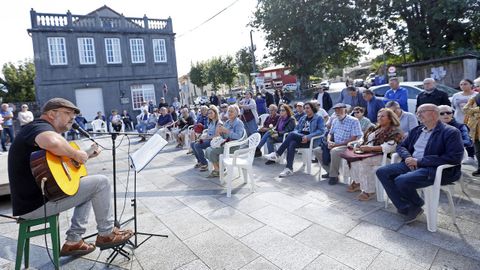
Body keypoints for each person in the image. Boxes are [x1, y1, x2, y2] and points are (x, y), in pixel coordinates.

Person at [8, 98, 132, 257]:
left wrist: (85, 155)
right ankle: (106, 234)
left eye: (73, 115)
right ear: (52, 114)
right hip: (35, 205)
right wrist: (75, 153)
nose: (72, 118)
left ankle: (73, 241)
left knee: (83, 185)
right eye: (67, 113)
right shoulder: (38, 127)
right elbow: (52, 142)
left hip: (38, 200)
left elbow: (55, 165)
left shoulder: (40, 129)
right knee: (101, 182)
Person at [376, 104, 464, 223]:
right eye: (417, 112)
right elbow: (401, 146)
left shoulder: (451, 132)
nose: (418, 115)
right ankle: (406, 206)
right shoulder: (417, 130)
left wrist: (419, 161)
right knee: (382, 172)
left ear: (434, 113)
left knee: (401, 180)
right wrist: (408, 157)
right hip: (411, 164)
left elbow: (454, 157)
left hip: (434, 168)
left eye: (421, 112)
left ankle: (415, 204)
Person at [343, 109, 403, 201]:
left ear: (390, 118)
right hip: (368, 154)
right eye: (378, 116)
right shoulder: (375, 128)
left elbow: (389, 147)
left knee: (363, 161)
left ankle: (369, 191)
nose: (379, 118)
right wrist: (357, 144)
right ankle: (358, 182)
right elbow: (363, 139)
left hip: (384, 157)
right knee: (351, 158)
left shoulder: (395, 131)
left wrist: (370, 149)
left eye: (383, 116)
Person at [264, 102, 325, 177]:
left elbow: (321, 131)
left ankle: (277, 154)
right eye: (305, 108)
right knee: (291, 143)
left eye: (308, 108)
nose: (306, 110)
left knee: (291, 134)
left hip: (311, 140)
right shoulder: (303, 118)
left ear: (313, 108)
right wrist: (297, 134)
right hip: (300, 138)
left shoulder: (318, 118)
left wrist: (308, 137)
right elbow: (296, 129)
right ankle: (289, 169)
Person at [313, 103, 363, 185]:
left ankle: (333, 176)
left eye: (340, 110)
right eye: (336, 110)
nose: (337, 112)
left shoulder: (354, 121)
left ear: (345, 110)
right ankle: (330, 171)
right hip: (334, 144)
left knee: (334, 151)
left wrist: (336, 145)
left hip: (347, 145)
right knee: (316, 151)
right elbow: (330, 133)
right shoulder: (335, 120)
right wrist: (329, 141)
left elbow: (354, 137)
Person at [205, 104, 245, 178]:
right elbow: (223, 136)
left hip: (233, 146)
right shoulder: (227, 122)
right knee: (208, 149)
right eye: (229, 111)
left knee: (212, 151)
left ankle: (218, 170)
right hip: (225, 144)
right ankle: (218, 169)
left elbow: (238, 136)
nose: (229, 113)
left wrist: (226, 131)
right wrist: (220, 132)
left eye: (231, 111)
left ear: (237, 113)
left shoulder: (239, 123)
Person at [191, 105, 222, 171]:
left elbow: (217, 136)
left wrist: (205, 139)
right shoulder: (210, 122)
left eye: (211, 113)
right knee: (193, 144)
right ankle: (200, 161)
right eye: (208, 113)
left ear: (215, 113)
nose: (209, 115)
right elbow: (208, 133)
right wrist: (202, 138)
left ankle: (205, 163)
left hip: (214, 141)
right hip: (209, 139)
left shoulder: (218, 123)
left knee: (197, 145)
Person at [464, 95, 480, 176]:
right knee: (477, 151)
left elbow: (470, 110)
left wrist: (474, 110)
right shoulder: (475, 98)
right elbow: (465, 109)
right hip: (475, 129)